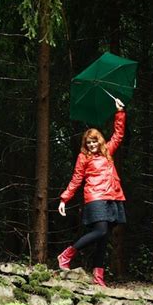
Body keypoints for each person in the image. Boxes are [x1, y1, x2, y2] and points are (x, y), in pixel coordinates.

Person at [57, 98, 127, 287]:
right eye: (88, 142)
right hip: (95, 197)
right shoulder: (83, 158)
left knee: (104, 238)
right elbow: (76, 179)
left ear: (100, 141)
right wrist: (64, 199)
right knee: (100, 230)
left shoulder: (107, 152)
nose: (91, 145)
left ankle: (98, 276)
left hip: (112, 197)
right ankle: (66, 255)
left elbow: (119, 134)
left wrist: (119, 112)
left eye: (94, 141)